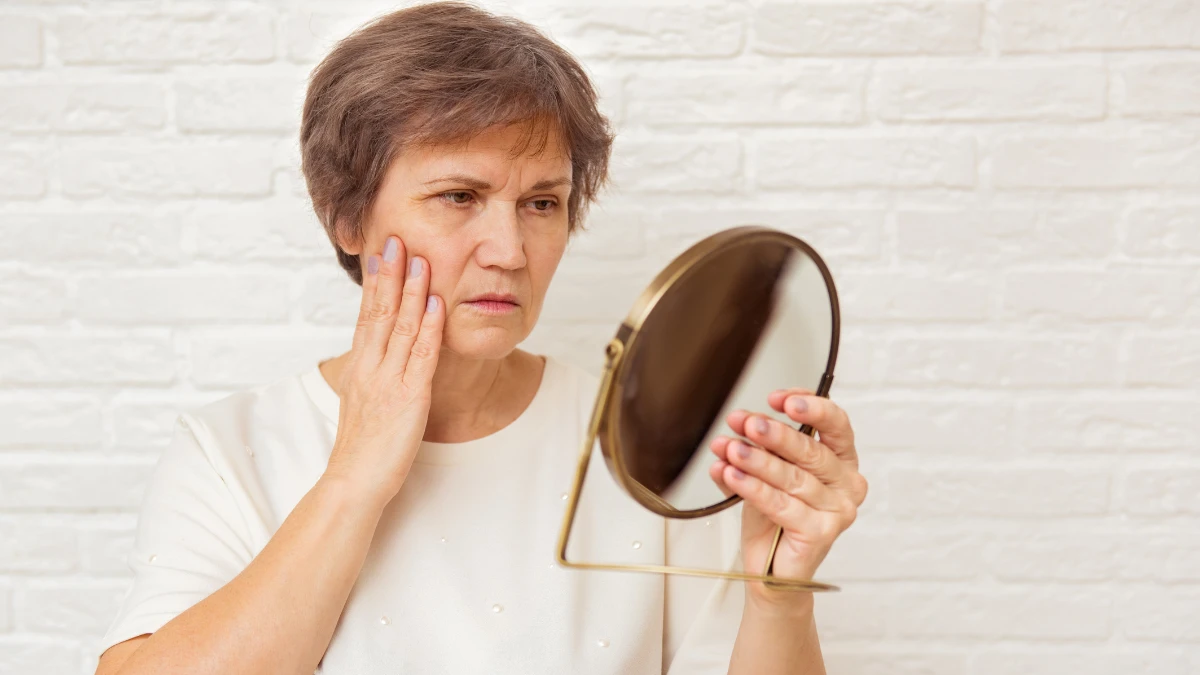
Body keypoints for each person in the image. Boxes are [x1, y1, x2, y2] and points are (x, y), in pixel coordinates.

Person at [93, 2, 868, 674]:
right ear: (349, 218)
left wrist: (778, 596)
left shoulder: (647, 442)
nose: (509, 248)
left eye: (542, 203)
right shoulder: (233, 449)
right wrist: (355, 477)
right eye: (459, 195)